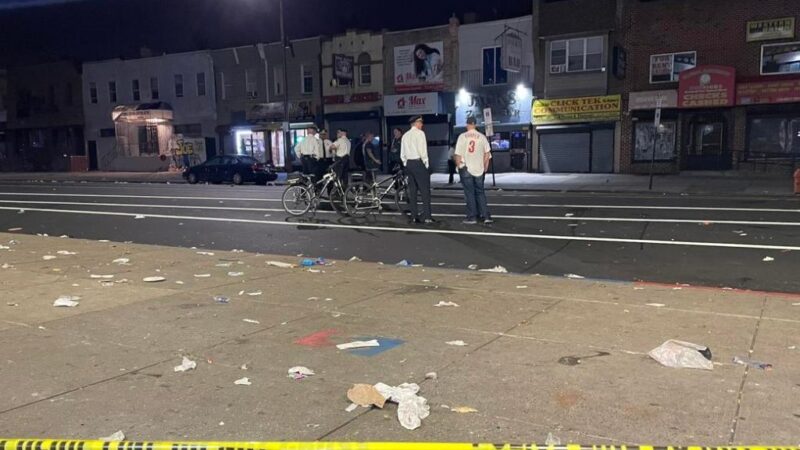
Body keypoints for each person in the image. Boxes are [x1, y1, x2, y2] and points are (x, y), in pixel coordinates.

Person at [454, 116, 493, 225]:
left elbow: (457, 154)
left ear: (467, 124)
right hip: (479, 169)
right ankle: (485, 215)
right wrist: (485, 167)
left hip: (466, 168)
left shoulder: (462, 137)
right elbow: (487, 154)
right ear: (475, 124)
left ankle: (472, 216)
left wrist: (459, 166)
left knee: (469, 193)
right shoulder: (482, 137)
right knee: (480, 193)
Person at [401, 115, 433, 224]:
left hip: (409, 164)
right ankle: (427, 216)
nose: (422, 124)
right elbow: (423, 150)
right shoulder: (420, 134)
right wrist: (426, 163)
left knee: (413, 191)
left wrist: (405, 163)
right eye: (421, 122)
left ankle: (414, 216)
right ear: (416, 123)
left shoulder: (405, 135)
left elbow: (402, 153)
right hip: (418, 162)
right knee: (425, 190)